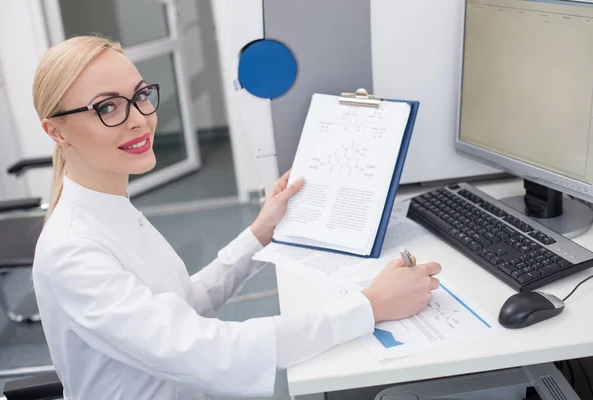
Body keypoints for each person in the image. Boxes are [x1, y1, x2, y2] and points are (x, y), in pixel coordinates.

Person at [31, 35, 442, 400]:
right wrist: (368, 306)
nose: (139, 118)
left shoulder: (109, 207)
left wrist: (261, 232)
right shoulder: (72, 251)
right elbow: (208, 352)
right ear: (58, 132)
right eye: (107, 107)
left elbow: (182, 307)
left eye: (140, 95)